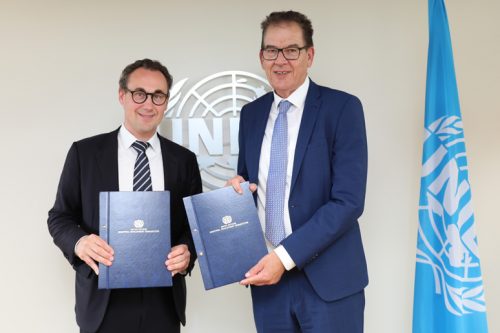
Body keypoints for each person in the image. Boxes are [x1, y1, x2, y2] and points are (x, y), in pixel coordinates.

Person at [227, 11, 368, 333]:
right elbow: (251, 184)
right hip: (267, 283)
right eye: (271, 51)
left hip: (329, 283)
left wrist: (285, 256)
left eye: (291, 50)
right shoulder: (251, 114)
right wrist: (237, 191)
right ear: (261, 57)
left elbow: (348, 202)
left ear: (310, 55)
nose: (281, 61)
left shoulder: (342, 109)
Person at [48, 59, 202, 333]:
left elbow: (194, 225)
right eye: (139, 93)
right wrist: (80, 241)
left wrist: (187, 250)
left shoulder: (184, 160)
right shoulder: (84, 153)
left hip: (163, 300)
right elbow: (60, 217)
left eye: (158, 96)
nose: (148, 104)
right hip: (103, 300)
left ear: (166, 101)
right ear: (122, 95)